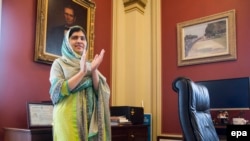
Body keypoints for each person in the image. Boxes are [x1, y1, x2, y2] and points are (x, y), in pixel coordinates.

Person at [49, 25, 111, 141]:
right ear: (67, 42)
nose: (79, 41)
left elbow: (100, 91)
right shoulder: (59, 63)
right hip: (68, 118)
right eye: (74, 37)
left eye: (82, 38)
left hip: (89, 119)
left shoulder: (90, 64)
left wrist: (92, 70)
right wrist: (82, 72)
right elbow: (58, 90)